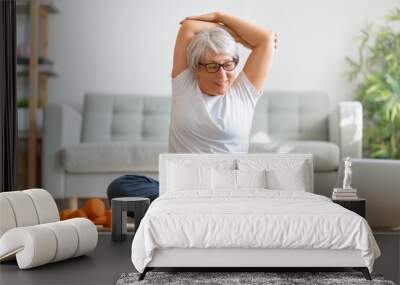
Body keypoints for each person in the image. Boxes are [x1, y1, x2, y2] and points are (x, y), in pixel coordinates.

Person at [107, 12, 277, 205]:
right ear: (196, 68)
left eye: (228, 65)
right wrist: (234, 35)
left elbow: (265, 39)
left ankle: (184, 211)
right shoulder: (185, 85)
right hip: (180, 188)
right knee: (121, 187)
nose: (222, 75)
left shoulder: (243, 93)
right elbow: (188, 27)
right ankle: (191, 210)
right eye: (212, 66)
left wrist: (219, 15)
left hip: (226, 191)